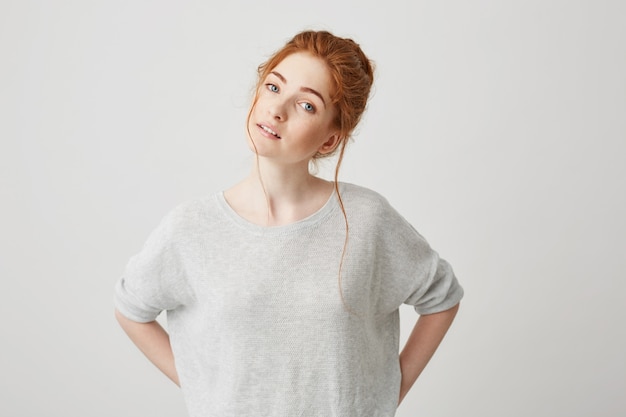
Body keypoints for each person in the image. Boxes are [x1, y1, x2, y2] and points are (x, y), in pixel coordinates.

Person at [114, 30, 463, 417]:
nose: (277, 110)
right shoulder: (190, 228)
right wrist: (206, 388)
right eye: (273, 87)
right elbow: (131, 309)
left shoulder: (367, 219)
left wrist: (383, 395)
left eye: (307, 106)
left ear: (330, 141)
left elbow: (441, 298)